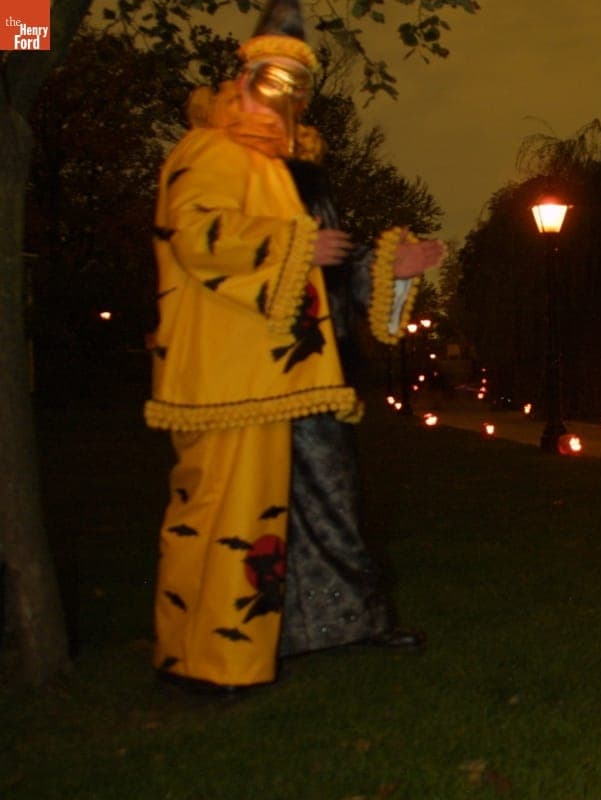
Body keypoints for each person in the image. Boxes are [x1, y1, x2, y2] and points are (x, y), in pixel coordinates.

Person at [146, 0, 444, 691]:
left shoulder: (301, 175)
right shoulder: (207, 154)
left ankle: (338, 626)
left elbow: (330, 266)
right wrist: (298, 246)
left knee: (330, 498)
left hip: (312, 368)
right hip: (242, 376)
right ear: (239, 81)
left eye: (295, 87)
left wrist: (386, 267)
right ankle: (216, 650)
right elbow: (198, 236)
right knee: (234, 505)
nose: (280, 99)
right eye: (267, 80)